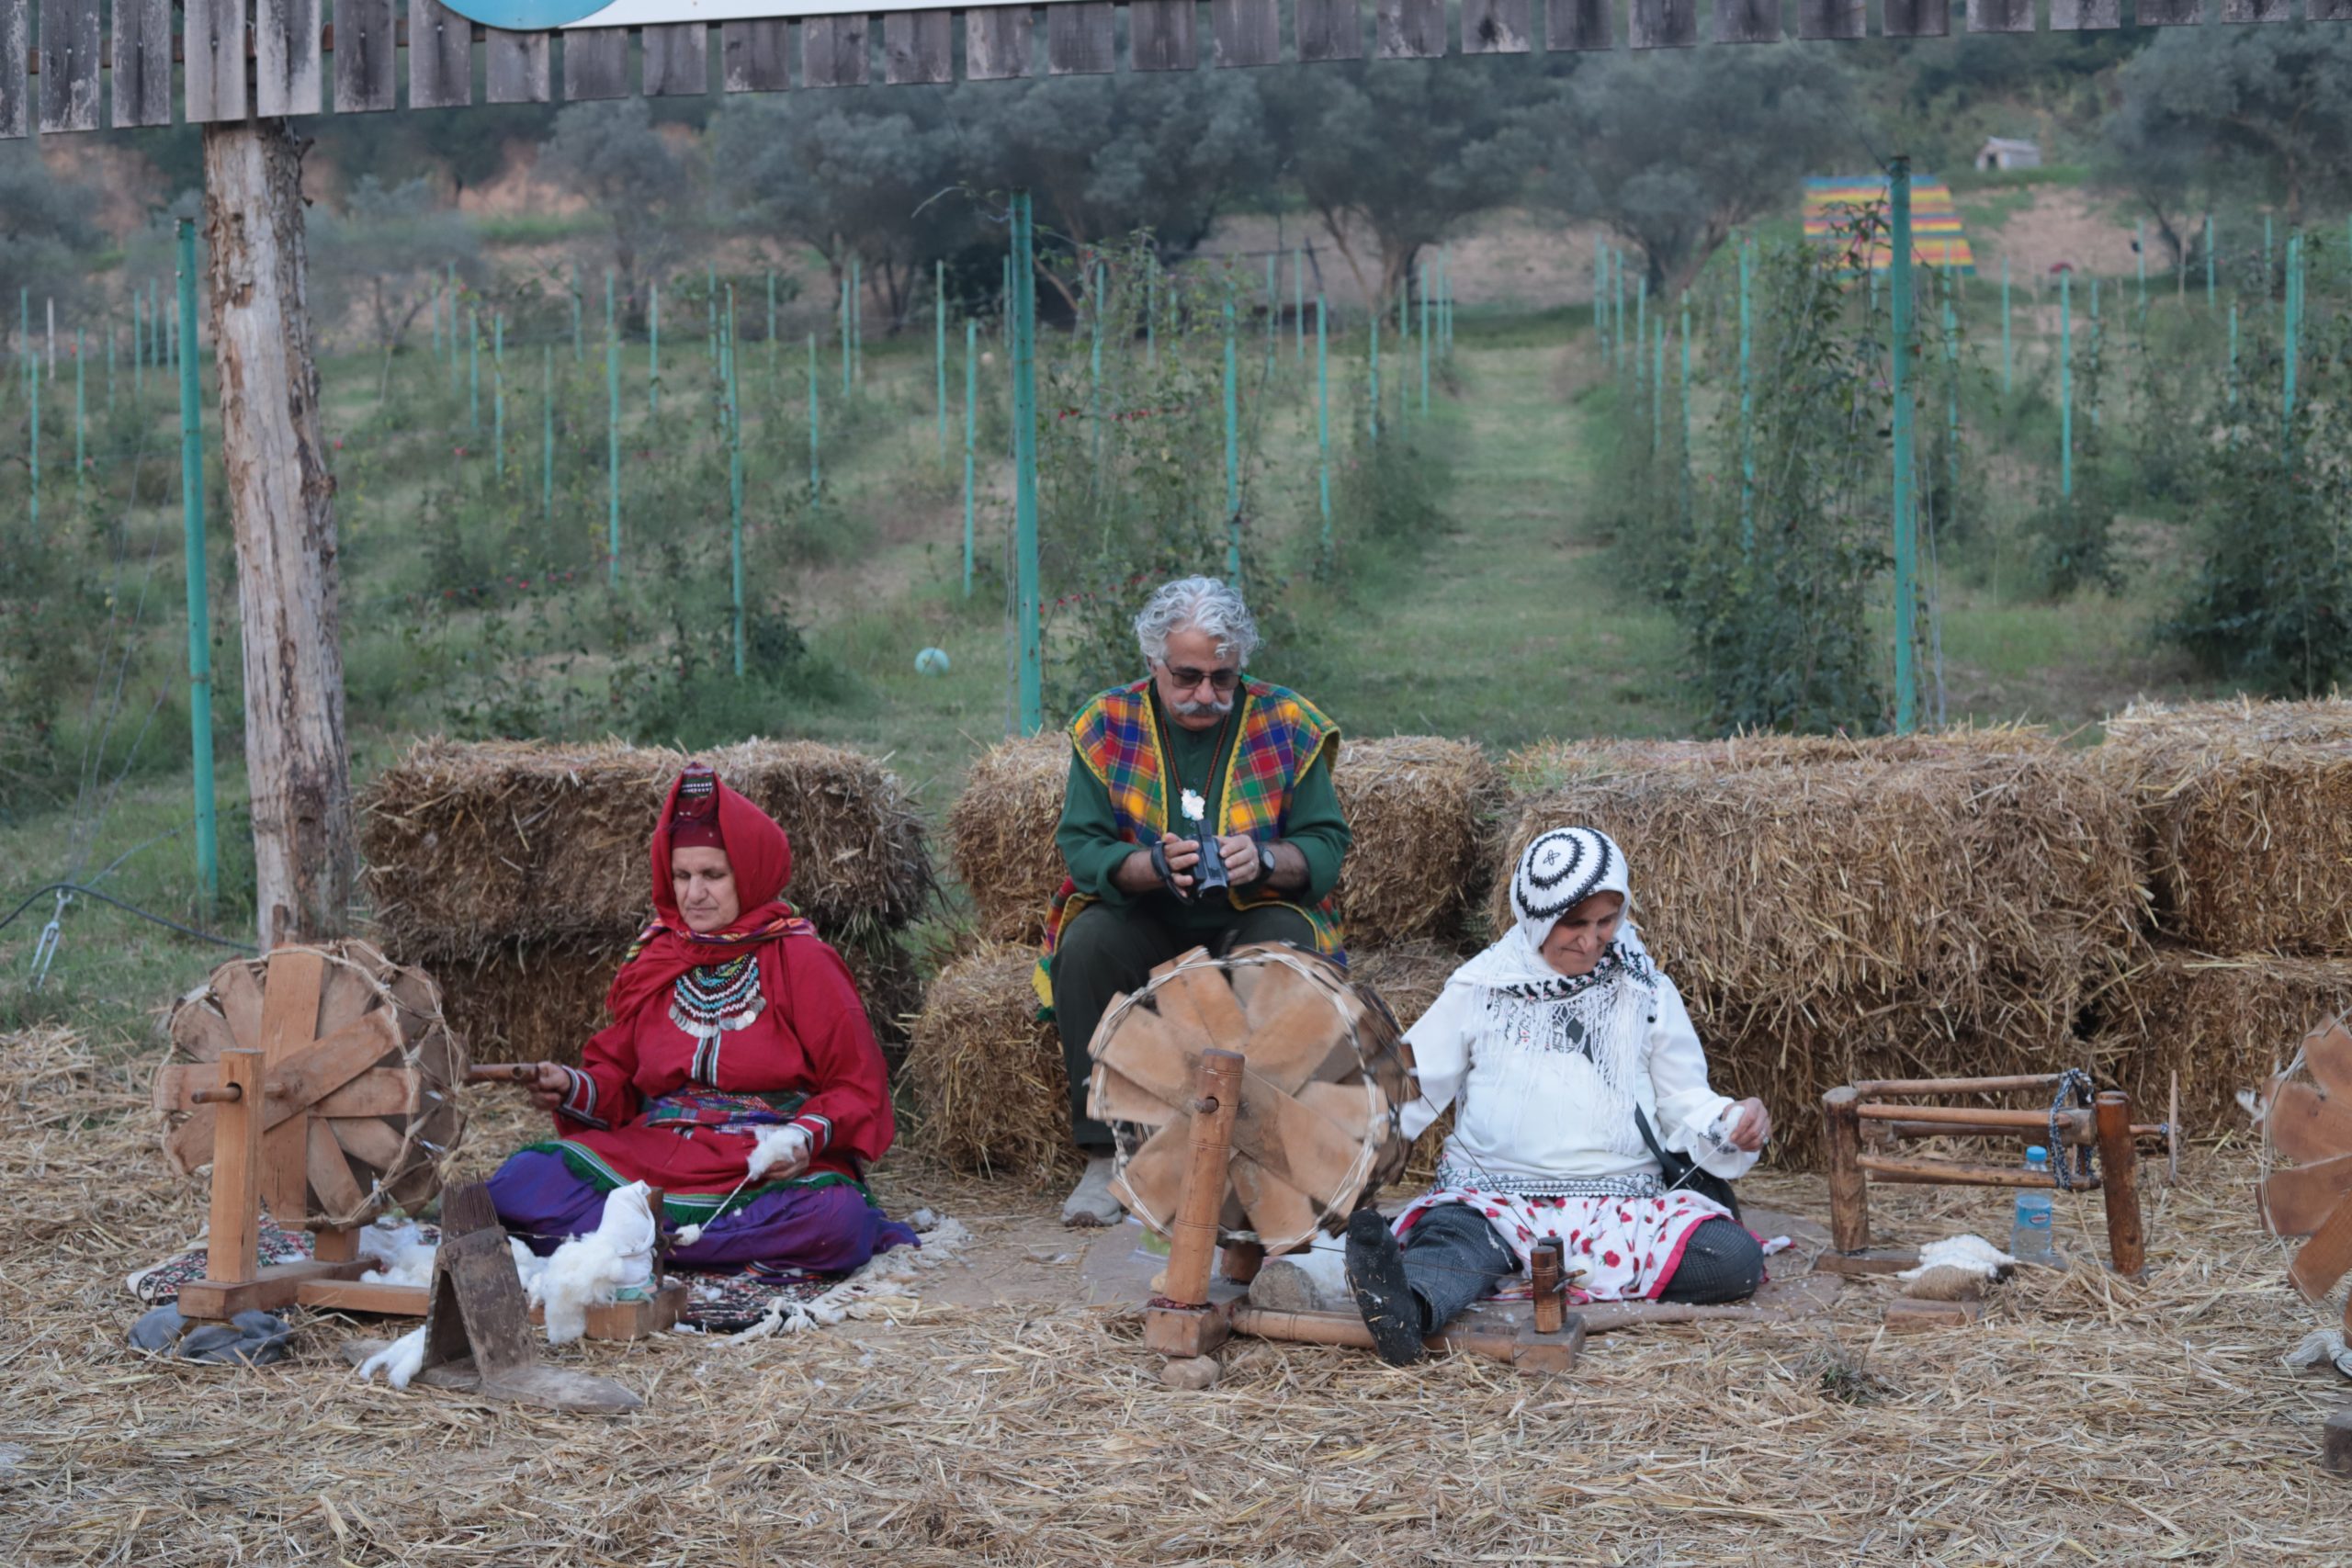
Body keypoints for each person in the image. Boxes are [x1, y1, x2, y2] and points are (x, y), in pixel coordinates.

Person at [1341, 826, 1770, 1366]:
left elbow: (1684, 1099)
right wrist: (1339, 1132)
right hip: (1493, 1201)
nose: (1591, 941)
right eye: (1574, 924)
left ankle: (1506, 1281)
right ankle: (1405, 1314)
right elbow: (1411, 1086)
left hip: (1621, 1204)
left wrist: (1731, 1120)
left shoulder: (1646, 990)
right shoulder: (1481, 988)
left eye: (1605, 922)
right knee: (1450, 1246)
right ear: (1539, 918)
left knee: (1733, 1260)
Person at [485, 762, 917, 1275]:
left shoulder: (804, 962)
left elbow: (854, 1085)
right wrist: (571, 1086)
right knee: (518, 1182)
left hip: (763, 1162)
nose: (694, 894)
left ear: (750, 874)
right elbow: (617, 1077)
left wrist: (801, 1137)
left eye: (713, 875)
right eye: (683, 876)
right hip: (658, 1149)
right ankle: (668, 1244)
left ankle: (631, 1244)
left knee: (834, 1221)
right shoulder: (657, 959)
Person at [1040, 576, 1353, 1225]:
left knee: (1288, 954)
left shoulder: (1286, 721)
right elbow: (1083, 847)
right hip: (1147, 912)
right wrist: (1148, 865)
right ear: (1152, 662)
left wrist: (1266, 858)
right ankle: (1108, 1155)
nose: (1206, 694)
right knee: (1088, 945)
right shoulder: (1107, 722)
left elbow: (1324, 845)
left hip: (1250, 912)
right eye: (1186, 676)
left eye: (1223, 677)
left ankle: (1261, 1155)